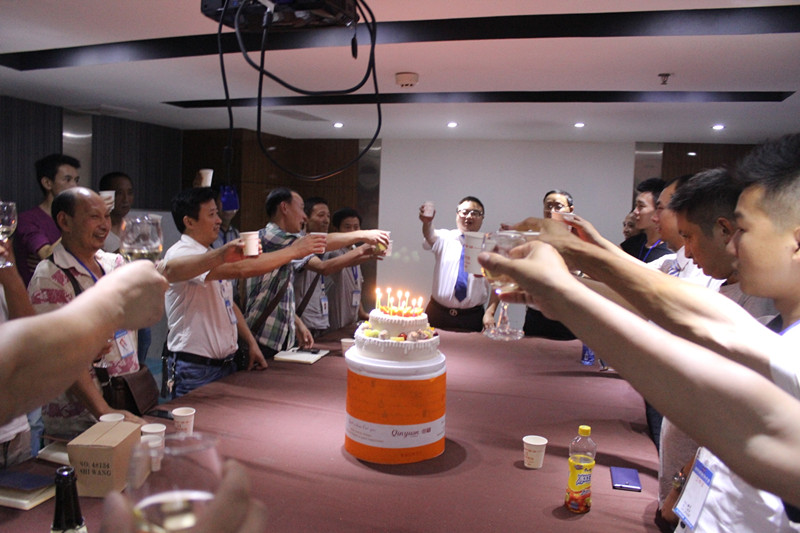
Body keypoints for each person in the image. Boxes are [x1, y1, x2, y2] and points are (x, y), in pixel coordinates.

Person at [487, 134, 800, 530]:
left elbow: (712, 400)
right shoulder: (782, 332)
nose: (733, 244)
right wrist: (577, 259)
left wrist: (566, 294)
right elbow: (703, 314)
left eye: (745, 229)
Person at [28, 188, 145, 437]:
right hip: (82, 418)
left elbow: (165, 270)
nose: (104, 225)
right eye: (94, 217)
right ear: (65, 221)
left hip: (124, 398)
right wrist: (104, 411)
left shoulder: (112, 263)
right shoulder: (50, 276)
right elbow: (61, 357)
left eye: (106, 216)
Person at [243, 188, 387, 356]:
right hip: (263, 337)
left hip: (278, 336)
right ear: (284, 208)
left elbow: (280, 293)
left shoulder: (286, 241)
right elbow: (322, 252)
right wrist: (363, 235)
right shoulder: (272, 236)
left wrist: (297, 324)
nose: (304, 217)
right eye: (301, 208)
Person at [293, 198, 377, 338]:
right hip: (308, 322)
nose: (326, 220)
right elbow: (325, 267)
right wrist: (363, 250)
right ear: (305, 218)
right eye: (321, 215)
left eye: (328, 215)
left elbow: (350, 268)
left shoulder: (351, 250)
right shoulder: (301, 244)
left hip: (321, 321)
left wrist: (368, 254)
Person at [419, 196, 493, 332]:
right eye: (464, 212)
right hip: (438, 313)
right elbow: (429, 234)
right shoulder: (443, 237)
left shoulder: (489, 244)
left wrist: (490, 312)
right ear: (457, 214)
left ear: (482, 218)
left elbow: (498, 283)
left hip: (472, 317)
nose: (469, 216)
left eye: (475, 213)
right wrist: (427, 223)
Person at [14, 154, 81, 285]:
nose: (74, 186)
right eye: (67, 179)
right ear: (47, 183)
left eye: (76, 180)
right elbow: (46, 254)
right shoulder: (28, 219)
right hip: (38, 291)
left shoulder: (73, 218)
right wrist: (78, 226)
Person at [522, 190, 578, 340]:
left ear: (570, 210)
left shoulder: (579, 238)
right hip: (536, 315)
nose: (552, 211)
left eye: (558, 206)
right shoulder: (533, 237)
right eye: (548, 206)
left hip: (568, 314)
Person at [327, 207, 372, 332]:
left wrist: (362, 313)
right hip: (334, 322)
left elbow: (355, 287)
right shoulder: (333, 252)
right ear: (336, 230)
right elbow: (343, 263)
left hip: (351, 320)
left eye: (356, 227)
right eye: (347, 227)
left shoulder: (354, 249)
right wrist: (368, 254)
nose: (352, 231)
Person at [620, 177, 672, 262]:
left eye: (641, 206)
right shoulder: (635, 241)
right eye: (636, 206)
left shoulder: (668, 251)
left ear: (658, 209)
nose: (635, 211)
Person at [98, 171, 134, 254]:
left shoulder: (133, 228)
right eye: (119, 193)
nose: (126, 199)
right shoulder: (96, 230)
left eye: (130, 193)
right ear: (105, 195)